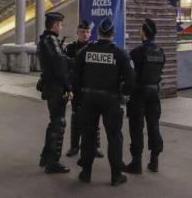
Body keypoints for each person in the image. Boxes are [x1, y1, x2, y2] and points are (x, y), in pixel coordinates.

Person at [73, 17, 134, 186]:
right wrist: (124, 94)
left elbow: (75, 76)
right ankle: (116, 175)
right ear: (113, 34)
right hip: (110, 99)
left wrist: (78, 97)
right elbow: (130, 78)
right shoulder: (119, 53)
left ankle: (85, 173)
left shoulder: (86, 51)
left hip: (89, 98)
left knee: (88, 135)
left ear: (98, 33)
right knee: (114, 137)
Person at [123, 19, 165, 174]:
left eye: (141, 30)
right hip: (154, 94)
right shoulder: (160, 52)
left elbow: (130, 74)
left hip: (138, 94)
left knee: (136, 127)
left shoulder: (136, 52)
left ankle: (136, 163)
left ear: (144, 33)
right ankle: (154, 160)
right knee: (154, 126)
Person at [37, 11, 72, 174]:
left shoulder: (45, 40)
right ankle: (53, 162)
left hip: (51, 86)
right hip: (56, 87)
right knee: (59, 123)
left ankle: (46, 156)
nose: (61, 27)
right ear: (55, 25)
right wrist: (68, 87)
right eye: (60, 24)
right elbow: (60, 67)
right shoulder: (51, 41)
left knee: (54, 122)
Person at [65, 20, 104, 159]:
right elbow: (67, 70)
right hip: (77, 87)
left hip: (91, 88)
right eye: (82, 32)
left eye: (87, 32)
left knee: (94, 118)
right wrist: (68, 88)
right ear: (77, 33)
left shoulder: (95, 48)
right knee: (76, 118)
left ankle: (96, 146)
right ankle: (74, 146)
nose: (85, 34)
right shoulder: (70, 48)